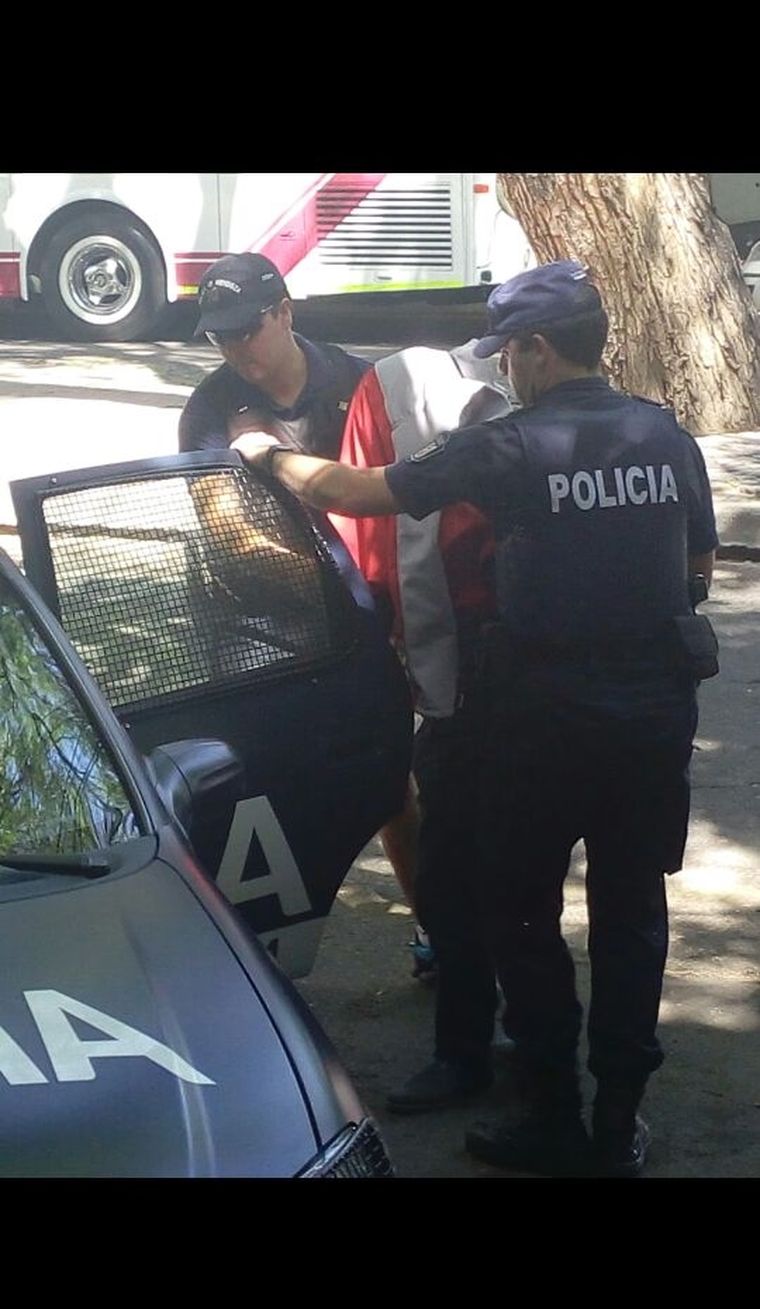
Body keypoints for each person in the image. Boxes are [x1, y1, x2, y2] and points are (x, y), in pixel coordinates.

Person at [232, 260, 719, 1179]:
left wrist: (267, 456)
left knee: (522, 914)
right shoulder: (667, 434)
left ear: (536, 349)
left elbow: (359, 491)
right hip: (652, 724)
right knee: (631, 915)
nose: (504, 372)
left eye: (508, 354)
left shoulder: (511, 445)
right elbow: (695, 567)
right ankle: (618, 1126)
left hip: (538, 728)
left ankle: (551, 1113)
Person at [178, 252, 422, 961]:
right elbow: (230, 531)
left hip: (369, 615)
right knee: (251, 783)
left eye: (247, 329)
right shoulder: (210, 409)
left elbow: (401, 502)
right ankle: (250, 948)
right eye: (220, 335)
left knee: (391, 783)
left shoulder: (359, 382)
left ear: (285, 312)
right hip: (256, 617)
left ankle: (436, 924)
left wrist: (389, 610)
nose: (235, 349)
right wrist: (349, 598)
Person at [333, 342, 514, 1110]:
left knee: (467, 865)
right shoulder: (635, 431)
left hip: (477, 664)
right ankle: (547, 1067)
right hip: (536, 670)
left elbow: (363, 501)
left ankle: (482, 1055)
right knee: (509, 870)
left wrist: (270, 460)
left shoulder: (403, 387)